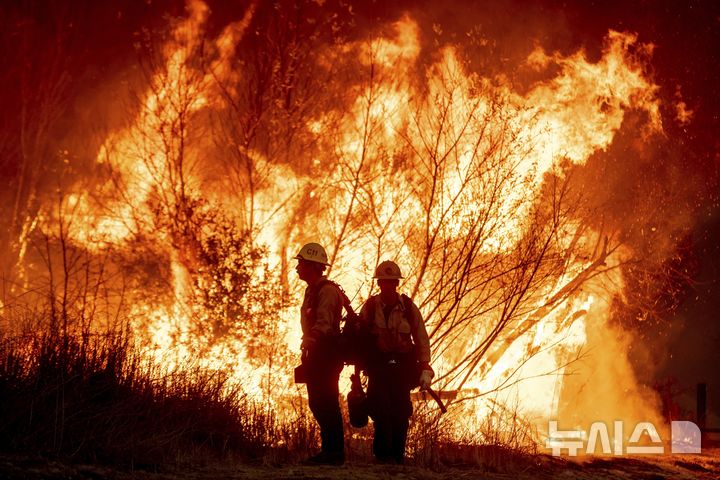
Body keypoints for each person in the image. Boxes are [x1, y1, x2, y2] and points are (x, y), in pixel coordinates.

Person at [358, 260, 434, 465]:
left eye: (391, 282)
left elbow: (421, 338)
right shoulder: (371, 307)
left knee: (400, 411)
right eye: (384, 281)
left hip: (402, 368)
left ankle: (398, 455)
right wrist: (359, 366)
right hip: (378, 367)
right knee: (379, 409)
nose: (388, 285)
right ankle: (383, 456)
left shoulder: (408, 307)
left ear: (396, 284)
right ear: (379, 283)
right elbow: (360, 337)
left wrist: (425, 366)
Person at [294, 242, 345, 465]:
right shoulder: (311, 290)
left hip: (328, 353)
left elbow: (324, 323)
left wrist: (311, 338)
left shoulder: (328, 291)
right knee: (317, 401)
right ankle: (330, 451)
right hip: (316, 353)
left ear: (313, 266)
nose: (297, 268)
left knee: (327, 401)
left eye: (301, 264)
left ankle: (334, 453)